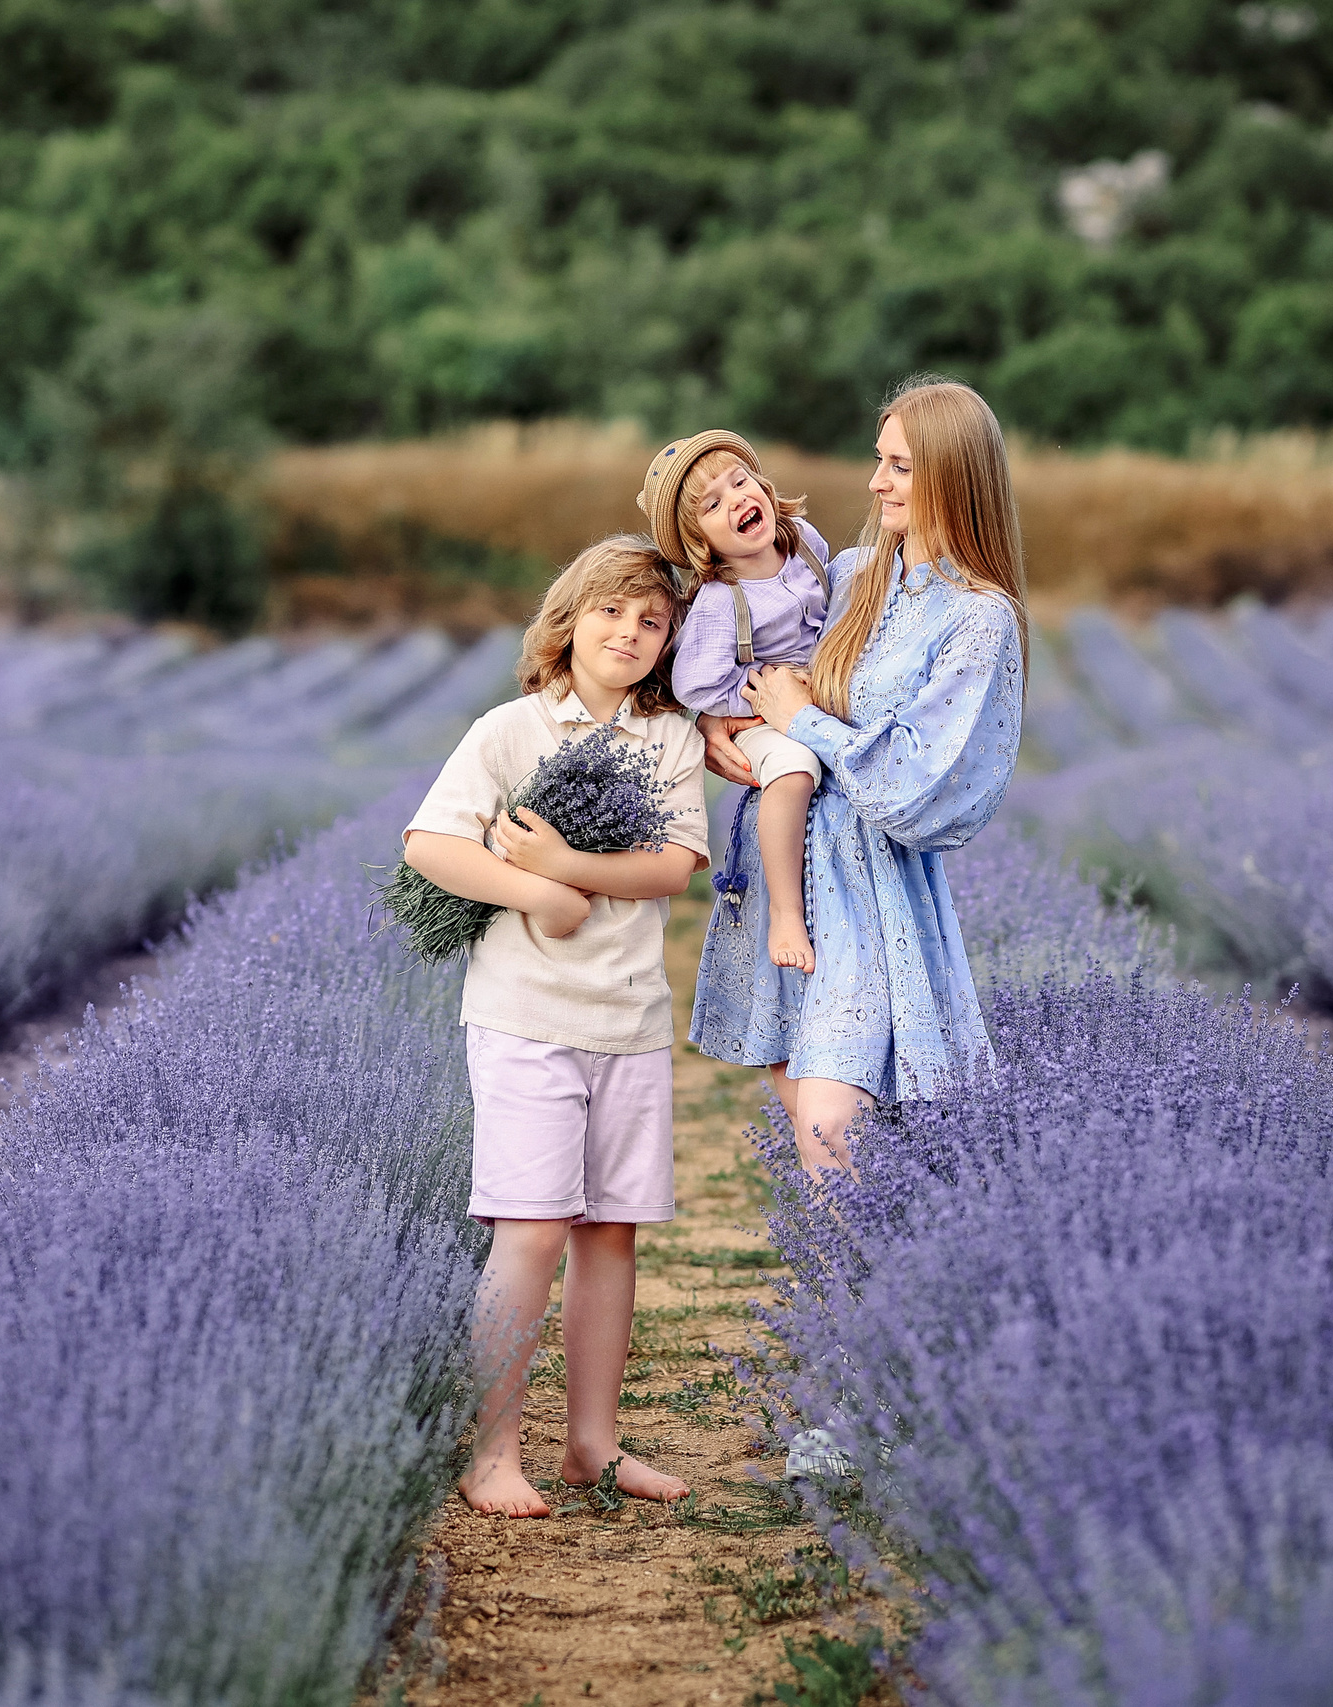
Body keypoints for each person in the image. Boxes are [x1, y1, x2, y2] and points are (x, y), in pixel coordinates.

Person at [400, 535, 709, 1518]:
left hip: (627, 1020)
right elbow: (429, 844)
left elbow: (671, 866)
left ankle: (591, 1444)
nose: (629, 631)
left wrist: (563, 873)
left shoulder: (670, 739)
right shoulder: (511, 729)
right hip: (525, 1018)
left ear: (668, 646)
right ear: (566, 622)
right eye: (610, 612)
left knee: (610, 1233)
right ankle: (490, 1453)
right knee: (531, 1231)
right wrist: (532, 891)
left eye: (651, 621)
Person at [689, 378, 1029, 1175]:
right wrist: (715, 721)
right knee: (808, 1097)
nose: (876, 482)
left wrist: (800, 719)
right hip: (787, 867)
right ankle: (865, 1293)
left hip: (876, 887)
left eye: (900, 466)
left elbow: (918, 782)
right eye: (880, 461)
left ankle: (886, 1291)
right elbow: (748, 647)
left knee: (832, 1125)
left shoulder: (979, 618)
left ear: (953, 476)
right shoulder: (848, 573)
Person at [637, 430, 835, 974]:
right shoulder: (722, 602)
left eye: (741, 482)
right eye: (713, 504)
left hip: (819, 693)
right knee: (793, 772)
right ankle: (787, 913)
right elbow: (694, 684)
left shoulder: (807, 546)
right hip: (760, 712)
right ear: (701, 540)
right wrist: (757, 696)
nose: (737, 500)